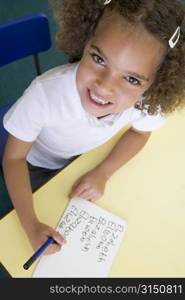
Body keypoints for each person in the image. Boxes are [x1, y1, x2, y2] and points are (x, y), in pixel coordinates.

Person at [2, 0, 185, 255]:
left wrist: (103, 172)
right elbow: (13, 158)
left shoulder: (145, 101)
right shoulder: (44, 95)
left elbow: (140, 132)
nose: (104, 87)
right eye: (99, 59)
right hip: (37, 163)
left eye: (131, 78)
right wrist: (31, 225)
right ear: (85, 39)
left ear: (157, 81)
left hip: (84, 157)